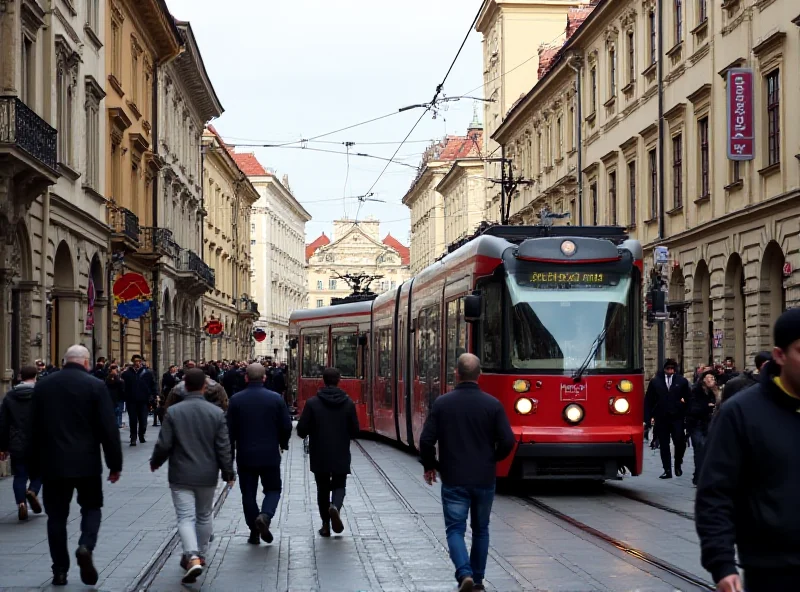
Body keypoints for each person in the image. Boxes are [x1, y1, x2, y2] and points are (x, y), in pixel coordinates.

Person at [696, 308, 800, 592]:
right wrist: (722, 563)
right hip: (773, 572)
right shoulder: (741, 414)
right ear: (779, 356)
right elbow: (715, 493)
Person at [28, 345, 122, 587]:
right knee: (91, 508)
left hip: (53, 464)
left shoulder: (44, 386)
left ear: (64, 360)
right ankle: (85, 546)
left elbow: (33, 428)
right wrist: (114, 464)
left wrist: (33, 466)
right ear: (86, 362)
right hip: (87, 463)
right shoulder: (95, 386)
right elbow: (108, 429)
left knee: (56, 517)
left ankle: (60, 570)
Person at [419, 353, 514, 592]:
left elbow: (426, 440)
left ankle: (464, 574)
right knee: (481, 529)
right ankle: (478, 581)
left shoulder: (442, 403)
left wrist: (430, 465)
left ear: (456, 374)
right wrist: (492, 459)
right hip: (484, 478)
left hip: (454, 478)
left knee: (455, 529)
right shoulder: (492, 404)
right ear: (479, 375)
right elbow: (508, 440)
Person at [150, 369, 235, 584]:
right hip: (207, 473)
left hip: (180, 472)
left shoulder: (174, 412)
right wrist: (228, 472)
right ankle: (202, 554)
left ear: (184, 386)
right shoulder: (216, 413)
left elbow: (164, 443)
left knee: (185, 517)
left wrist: (156, 461)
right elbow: (224, 446)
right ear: (204, 387)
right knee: (205, 515)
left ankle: (192, 555)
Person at [227, 364, 292, 545]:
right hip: (270, 454)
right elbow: (286, 426)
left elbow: (229, 432)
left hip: (246, 455)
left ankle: (254, 531)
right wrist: (282, 443)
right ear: (264, 378)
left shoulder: (236, 400)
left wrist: (229, 457)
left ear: (246, 378)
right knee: (273, 489)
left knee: (248, 493)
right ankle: (265, 515)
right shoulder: (276, 399)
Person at [296, 367, 359, 537]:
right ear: (339, 380)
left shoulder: (312, 403)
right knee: (340, 485)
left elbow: (301, 430)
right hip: (340, 451)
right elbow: (355, 431)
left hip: (320, 453)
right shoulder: (348, 403)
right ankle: (335, 507)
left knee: (322, 489)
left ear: (323, 380)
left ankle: (325, 525)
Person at [0, 366, 43, 521]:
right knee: (39, 473)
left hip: (17, 441)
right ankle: (32, 491)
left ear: (19, 377)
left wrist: (3, 447)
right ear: (35, 376)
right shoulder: (41, 394)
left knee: (20, 475)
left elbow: (3, 423)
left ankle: (21, 504)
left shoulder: (10, 396)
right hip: (38, 441)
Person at [644, 358, 690, 479]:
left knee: (679, 442)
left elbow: (689, 399)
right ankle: (667, 469)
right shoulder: (655, 382)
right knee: (664, 444)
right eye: (668, 368)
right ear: (664, 369)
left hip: (677, 417)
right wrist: (648, 418)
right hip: (661, 417)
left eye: (672, 368)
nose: (670, 371)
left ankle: (678, 464)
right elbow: (649, 400)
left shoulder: (682, 381)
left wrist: (685, 411)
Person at [686, 370, 720, 485]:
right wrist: (706, 406)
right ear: (703, 379)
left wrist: (715, 391)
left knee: (706, 450)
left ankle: (700, 475)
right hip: (696, 424)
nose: (711, 380)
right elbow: (692, 408)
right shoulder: (695, 390)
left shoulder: (713, 391)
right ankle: (699, 476)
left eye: (713, 378)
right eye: (709, 377)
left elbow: (721, 404)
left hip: (708, 424)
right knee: (700, 448)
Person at [121, 354, 156, 446]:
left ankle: (141, 434)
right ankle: (133, 437)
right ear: (133, 362)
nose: (137, 363)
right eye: (136, 361)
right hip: (131, 400)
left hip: (144, 400)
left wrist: (155, 395)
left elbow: (153, 385)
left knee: (143, 419)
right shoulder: (126, 374)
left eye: (139, 361)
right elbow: (122, 386)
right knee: (132, 419)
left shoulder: (147, 373)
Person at [105, 364, 125, 429]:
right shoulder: (110, 377)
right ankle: (117, 423)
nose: (116, 370)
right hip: (115, 396)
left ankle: (118, 423)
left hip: (117, 396)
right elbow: (118, 383)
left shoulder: (115, 376)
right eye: (115, 369)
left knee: (118, 411)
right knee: (117, 411)